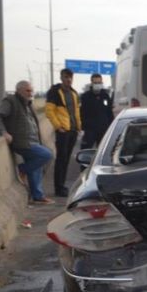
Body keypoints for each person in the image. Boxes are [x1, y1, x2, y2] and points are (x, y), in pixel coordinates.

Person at [0, 80, 54, 205]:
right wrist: (4, 132)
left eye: (31, 90)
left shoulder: (28, 103)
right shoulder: (11, 101)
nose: (30, 93)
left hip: (33, 140)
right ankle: (22, 169)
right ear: (19, 90)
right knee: (47, 155)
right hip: (22, 142)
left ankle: (37, 196)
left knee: (36, 166)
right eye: (27, 90)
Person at [45, 68, 82, 197]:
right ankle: (58, 187)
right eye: (66, 77)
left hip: (72, 130)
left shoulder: (74, 93)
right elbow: (49, 111)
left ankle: (63, 185)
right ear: (61, 78)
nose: (69, 80)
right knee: (61, 159)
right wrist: (58, 126)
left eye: (70, 77)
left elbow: (76, 112)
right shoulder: (55, 92)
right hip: (63, 130)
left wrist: (78, 126)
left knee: (66, 159)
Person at [80, 73, 113, 149]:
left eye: (99, 83)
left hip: (103, 129)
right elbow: (82, 113)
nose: (97, 85)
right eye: (95, 83)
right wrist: (83, 127)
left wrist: (111, 126)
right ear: (91, 83)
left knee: (103, 150)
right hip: (90, 130)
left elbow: (109, 112)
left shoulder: (105, 96)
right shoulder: (86, 97)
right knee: (86, 150)